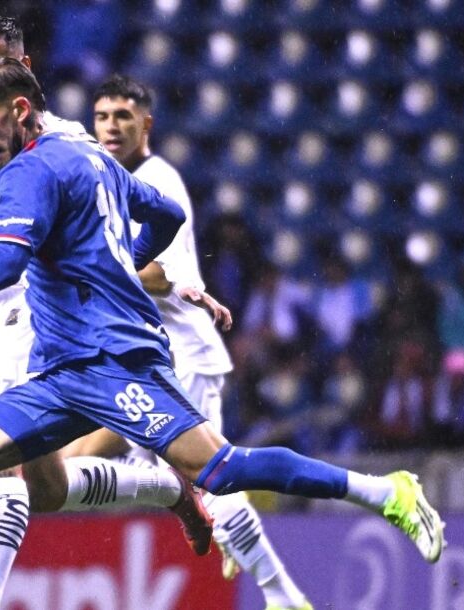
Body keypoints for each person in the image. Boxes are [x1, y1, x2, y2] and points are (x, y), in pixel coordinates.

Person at [0, 58, 446, 609]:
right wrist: (118, 260)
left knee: (222, 471)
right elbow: (168, 216)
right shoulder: (91, 158)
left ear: (20, 110)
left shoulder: (29, 171)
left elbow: (3, 266)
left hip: (117, 361)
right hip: (59, 371)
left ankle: (384, 491)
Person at [0, 16, 212, 610]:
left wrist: (176, 280)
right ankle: (161, 485)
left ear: (23, 70)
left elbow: (122, 224)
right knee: (47, 488)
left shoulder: (66, 143)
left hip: (36, 321)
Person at [65, 73, 310, 609]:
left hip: (184, 354)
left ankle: (282, 594)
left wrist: (95, 267)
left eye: (123, 116)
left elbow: (161, 276)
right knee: (170, 477)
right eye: (103, 116)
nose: (111, 126)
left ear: (145, 123)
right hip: (145, 357)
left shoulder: (159, 180)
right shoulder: (104, 180)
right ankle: (233, 535)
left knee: (209, 477)